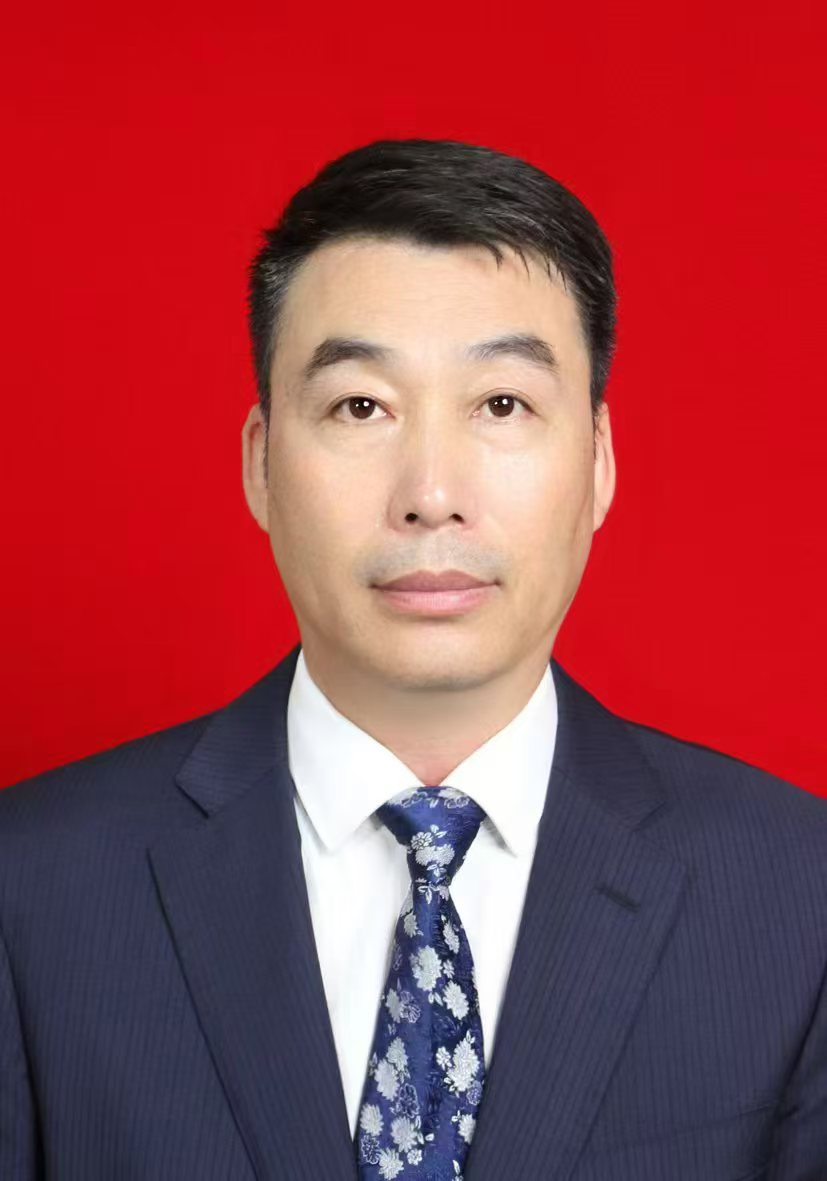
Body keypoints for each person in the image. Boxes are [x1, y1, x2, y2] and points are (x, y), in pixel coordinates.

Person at [1, 138, 825, 1181]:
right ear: (259, 463)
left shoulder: (798, 898)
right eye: (360, 407)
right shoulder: (31, 892)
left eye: (501, 404)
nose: (431, 493)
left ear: (597, 463)